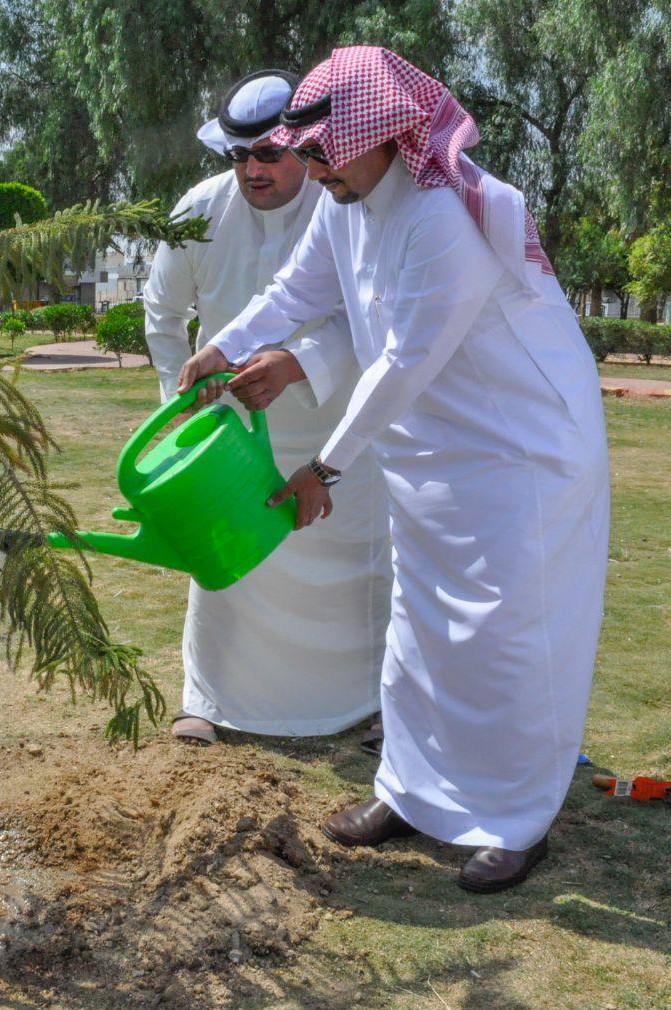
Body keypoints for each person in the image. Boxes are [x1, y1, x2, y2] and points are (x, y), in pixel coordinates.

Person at [178, 46, 609, 892]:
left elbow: (402, 361)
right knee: (418, 634)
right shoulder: (347, 201)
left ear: (386, 133)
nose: (313, 167)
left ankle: (517, 820)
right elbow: (303, 294)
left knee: (509, 641)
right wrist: (224, 343)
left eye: (322, 150)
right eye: (306, 150)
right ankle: (409, 791)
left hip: (519, 452)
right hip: (433, 451)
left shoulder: (444, 215)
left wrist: (323, 469)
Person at [144, 70, 391, 744]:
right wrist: (183, 408)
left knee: (352, 573)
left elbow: (364, 317)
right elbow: (162, 316)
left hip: (333, 427)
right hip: (227, 437)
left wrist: (297, 365)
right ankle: (213, 701)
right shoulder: (196, 211)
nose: (253, 170)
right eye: (238, 156)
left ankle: (366, 706)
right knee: (225, 570)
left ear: (305, 147)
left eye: (270, 154)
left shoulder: (344, 205)